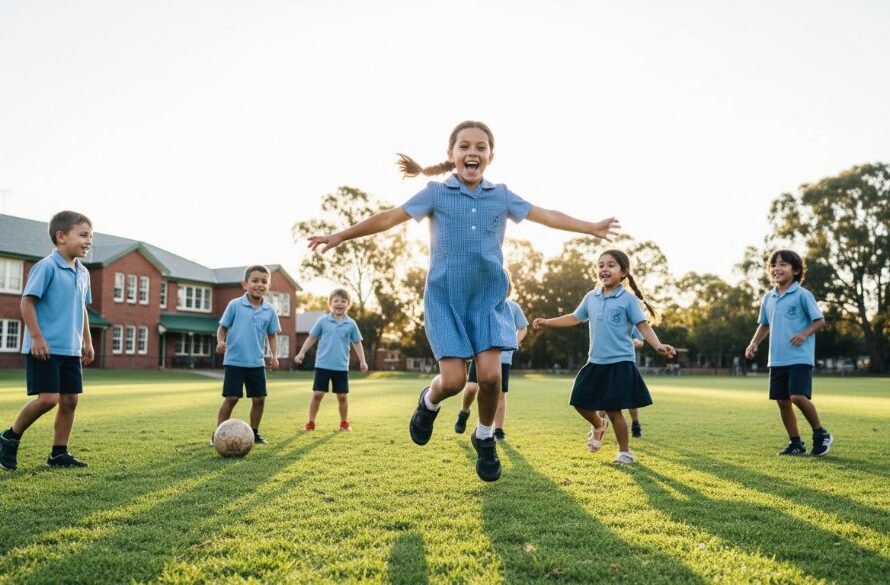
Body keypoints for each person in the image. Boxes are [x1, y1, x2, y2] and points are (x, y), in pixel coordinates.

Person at [306, 120, 620, 481]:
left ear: (490, 156)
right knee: (454, 381)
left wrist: (590, 227)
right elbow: (389, 218)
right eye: (465, 146)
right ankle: (429, 402)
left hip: (488, 300)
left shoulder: (501, 195)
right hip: (445, 300)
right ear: (452, 155)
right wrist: (341, 236)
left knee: (489, 377)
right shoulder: (435, 193)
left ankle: (484, 436)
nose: (473, 152)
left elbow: (544, 215)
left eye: (481, 147)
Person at [533, 249, 675, 465]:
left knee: (614, 410)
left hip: (619, 363)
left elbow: (643, 325)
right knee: (579, 399)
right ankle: (599, 424)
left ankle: (624, 453)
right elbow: (574, 317)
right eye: (600, 265)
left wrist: (657, 345)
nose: (604, 269)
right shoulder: (591, 297)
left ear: (623, 272)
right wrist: (547, 321)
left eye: (610, 265)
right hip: (595, 362)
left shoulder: (627, 299)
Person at [0, 211, 95, 470]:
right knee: (48, 398)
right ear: (61, 236)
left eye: (91, 236)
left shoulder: (83, 273)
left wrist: (87, 342)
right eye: (84, 235)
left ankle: (58, 453)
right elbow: (27, 302)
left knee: (70, 400)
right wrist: (36, 337)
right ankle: (9, 437)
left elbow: (82, 309)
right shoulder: (47, 267)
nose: (89, 241)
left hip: (71, 349)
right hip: (44, 347)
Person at [745, 250, 833, 456]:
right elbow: (764, 325)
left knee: (797, 396)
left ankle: (821, 434)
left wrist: (804, 334)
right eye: (773, 265)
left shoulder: (803, 295)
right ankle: (796, 444)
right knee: (783, 401)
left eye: (783, 264)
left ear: (796, 270)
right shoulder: (768, 298)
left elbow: (819, 320)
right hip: (777, 358)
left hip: (799, 357)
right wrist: (753, 343)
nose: (777, 268)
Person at [454, 274, 528, 441]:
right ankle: (464, 412)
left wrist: (512, 342)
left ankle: (498, 429)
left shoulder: (513, 307)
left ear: (507, 287)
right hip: (481, 356)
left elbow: (522, 328)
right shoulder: (482, 307)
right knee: (472, 388)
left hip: (503, 359)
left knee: (500, 394)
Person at [214, 265, 281, 446]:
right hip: (235, 361)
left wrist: (274, 356)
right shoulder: (235, 305)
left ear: (268, 286)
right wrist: (220, 341)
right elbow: (222, 328)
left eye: (264, 282)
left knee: (259, 399)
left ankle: (254, 432)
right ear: (245, 284)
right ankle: (218, 433)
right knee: (232, 398)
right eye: (255, 281)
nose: (260, 285)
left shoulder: (269, 311)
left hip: (256, 363)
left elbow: (272, 335)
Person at [294, 288, 368, 431]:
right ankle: (310, 423)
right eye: (336, 300)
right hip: (323, 364)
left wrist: (362, 361)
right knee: (317, 394)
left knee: (342, 396)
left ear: (348, 304)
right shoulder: (323, 321)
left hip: (341, 366)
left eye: (343, 301)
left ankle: (344, 423)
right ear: (330, 303)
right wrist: (301, 353)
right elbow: (312, 338)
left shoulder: (351, 324)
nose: (339, 303)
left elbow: (357, 343)